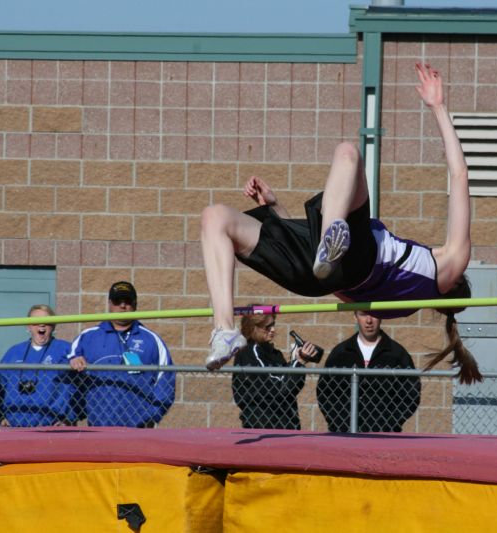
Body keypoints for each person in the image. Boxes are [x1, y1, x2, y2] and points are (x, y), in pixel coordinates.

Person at [201, 63, 481, 385]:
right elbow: (328, 278)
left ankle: (225, 323)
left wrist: (438, 107)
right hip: (324, 273)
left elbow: (459, 175)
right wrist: (277, 210)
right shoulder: (395, 307)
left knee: (348, 153)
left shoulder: (447, 264)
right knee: (216, 218)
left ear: (456, 282)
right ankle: (225, 332)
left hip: (361, 257)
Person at [67, 281, 175, 427]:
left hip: (138, 429)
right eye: (118, 301)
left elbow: (166, 379)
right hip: (98, 427)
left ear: (135, 304)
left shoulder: (151, 340)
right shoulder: (88, 337)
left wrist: (152, 416)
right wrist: (72, 414)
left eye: (128, 301)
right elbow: (68, 375)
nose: (123, 306)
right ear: (110, 303)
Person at [316, 311, 421, 433]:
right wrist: (338, 421)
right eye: (363, 314)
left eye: (374, 314)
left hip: (383, 435)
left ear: (381, 317)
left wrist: (390, 422)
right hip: (344, 432)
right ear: (355, 316)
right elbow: (324, 391)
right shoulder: (340, 352)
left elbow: (411, 393)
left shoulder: (397, 353)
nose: (369, 320)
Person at [231, 308, 319, 430]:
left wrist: (296, 362)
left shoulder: (274, 353)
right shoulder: (250, 352)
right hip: (264, 426)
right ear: (254, 327)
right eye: (267, 326)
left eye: (273, 325)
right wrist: (298, 363)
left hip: (285, 423)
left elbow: (290, 389)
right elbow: (277, 387)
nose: (273, 330)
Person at [0, 304, 75, 427]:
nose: (41, 325)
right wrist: (0, 416)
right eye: (36, 322)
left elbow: (81, 386)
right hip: (16, 427)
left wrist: (70, 417)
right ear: (28, 326)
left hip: (51, 428)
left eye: (46, 322)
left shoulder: (65, 350)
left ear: (53, 326)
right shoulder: (14, 352)